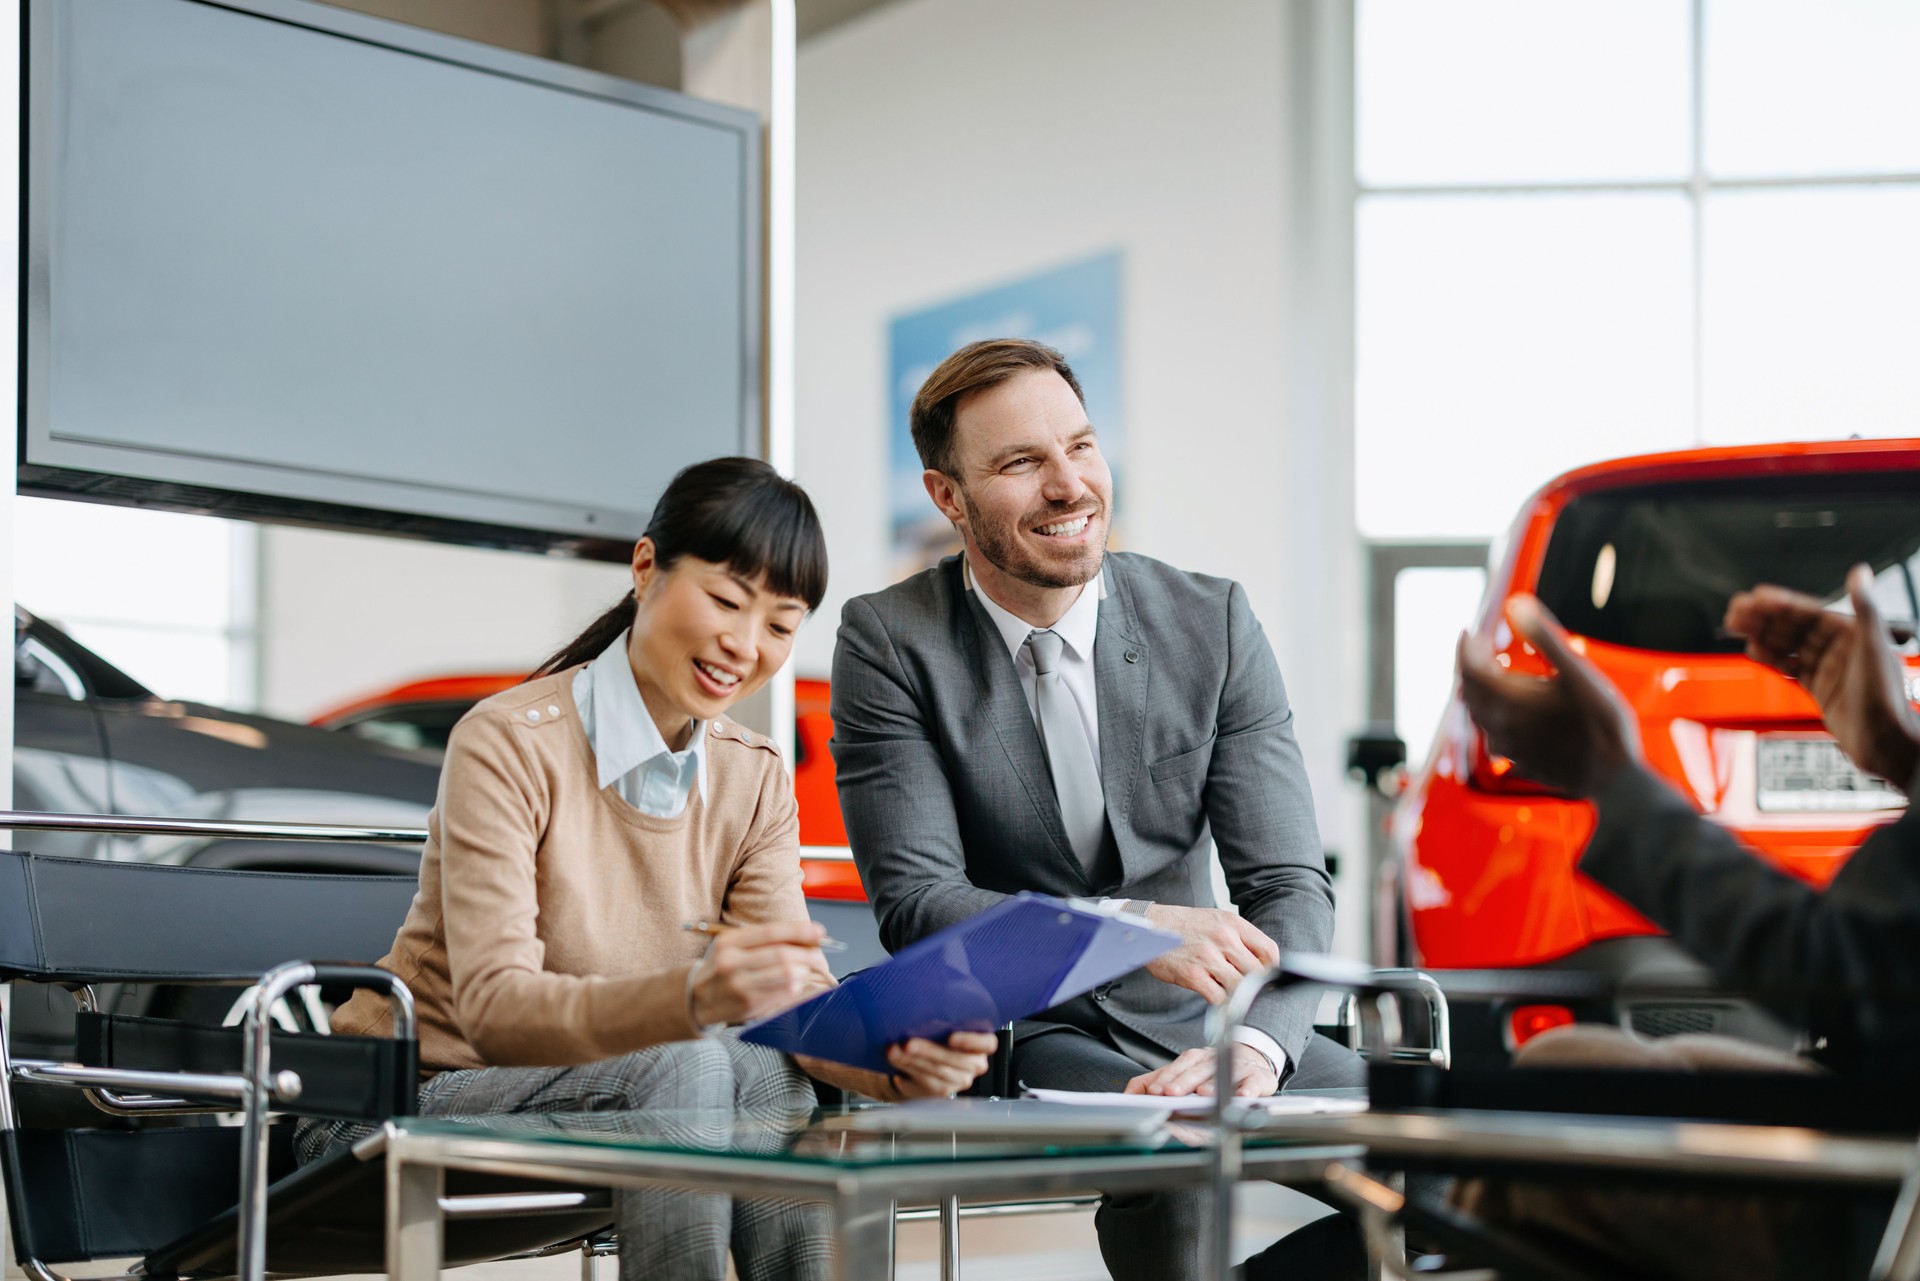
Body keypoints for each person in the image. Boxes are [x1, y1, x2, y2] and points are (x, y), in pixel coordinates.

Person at [298, 457, 996, 1281]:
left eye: (780, 623)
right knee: (695, 1056)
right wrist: (695, 999)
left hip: (618, 1102)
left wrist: (893, 1062)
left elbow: (793, 1007)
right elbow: (490, 1008)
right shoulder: (509, 741)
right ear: (645, 568)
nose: (746, 645)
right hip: (397, 1102)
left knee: (763, 1066)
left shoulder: (753, 773)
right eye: (728, 601)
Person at [830, 339, 1363, 1280]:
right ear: (948, 497)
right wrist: (1135, 928)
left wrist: (1263, 1049)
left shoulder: (1214, 622)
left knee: (1475, 1175)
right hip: (1040, 1023)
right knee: (1177, 1150)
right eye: (1021, 462)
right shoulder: (891, 641)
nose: (1069, 485)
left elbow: (1287, 883)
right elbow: (918, 904)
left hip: (1221, 1020)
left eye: (1080, 446)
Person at [1452, 564, 1920, 1280]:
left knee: (1533, 1127)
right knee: (1567, 1066)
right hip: (1884, 1106)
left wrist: (1612, 775)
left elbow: (1841, 969)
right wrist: (1902, 755)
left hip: (1893, 1200)